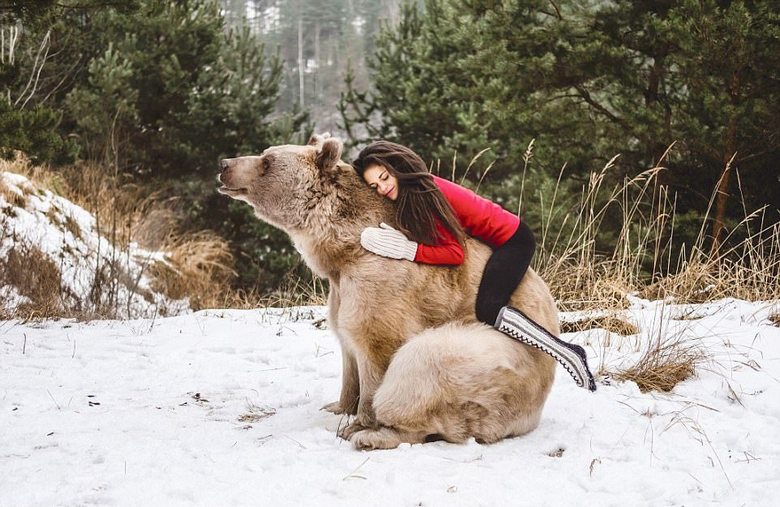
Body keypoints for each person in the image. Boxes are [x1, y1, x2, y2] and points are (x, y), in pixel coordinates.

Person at [352, 140, 596, 391]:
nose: (382, 187)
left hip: (513, 241)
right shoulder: (412, 192)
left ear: (397, 167)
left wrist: (410, 250)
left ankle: (567, 352)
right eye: (374, 186)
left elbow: (454, 253)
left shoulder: (426, 194)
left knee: (489, 309)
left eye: (384, 177)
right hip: (496, 242)